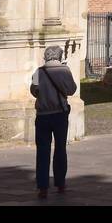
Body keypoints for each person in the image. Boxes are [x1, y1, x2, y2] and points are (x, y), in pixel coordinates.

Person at [30, 44, 78, 196]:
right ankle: (60, 183)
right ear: (60, 56)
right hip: (59, 114)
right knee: (60, 149)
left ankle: (43, 186)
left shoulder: (39, 71)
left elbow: (34, 90)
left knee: (42, 151)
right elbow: (72, 90)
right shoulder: (65, 70)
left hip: (43, 115)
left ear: (46, 56)